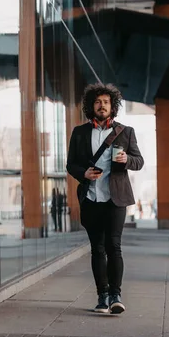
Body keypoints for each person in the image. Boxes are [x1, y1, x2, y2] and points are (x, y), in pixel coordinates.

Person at [66, 83, 144, 314]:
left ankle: (115, 296)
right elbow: (71, 164)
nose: (102, 106)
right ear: (92, 105)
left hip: (115, 199)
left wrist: (126, 161)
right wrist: (84, 174)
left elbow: (138, 161)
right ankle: (102, 296)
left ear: (113, 106)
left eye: (106, 102)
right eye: (98, 102)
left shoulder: (125, 131)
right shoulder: (79, 133)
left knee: (114, 247)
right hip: (91, 199)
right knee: (97, 249)